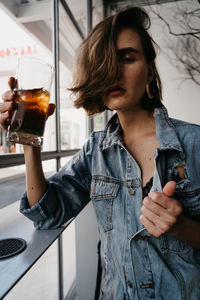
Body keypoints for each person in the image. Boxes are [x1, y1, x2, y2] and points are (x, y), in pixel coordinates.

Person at [1, 6, 200, 300]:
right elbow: (48, 213)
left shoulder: (194, 143)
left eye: (127, 58)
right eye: (104, 63)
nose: (114, 72)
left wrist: (182, 227)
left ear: (149, 70)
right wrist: (30, 138)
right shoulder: (95, 152)